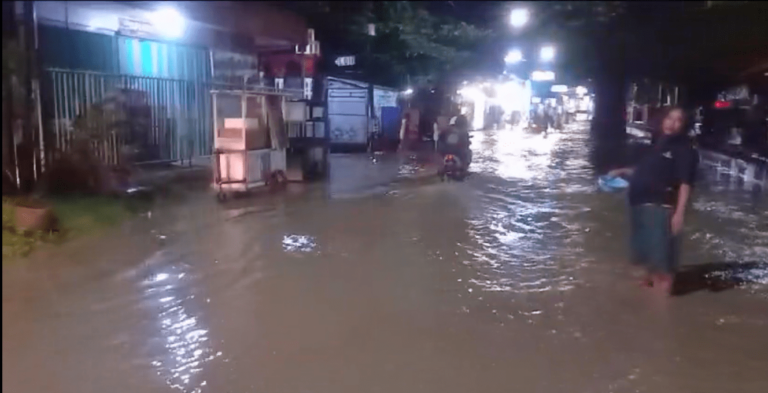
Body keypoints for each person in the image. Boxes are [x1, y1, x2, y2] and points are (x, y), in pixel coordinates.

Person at [608, 106, 699, 296]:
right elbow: (648, 171)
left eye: (678, 120)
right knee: (647, 265)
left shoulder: (684, 149)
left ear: (684, 125)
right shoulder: (657, 144)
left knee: (663, 271)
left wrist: (679, 214)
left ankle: (660, 316)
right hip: (641, 207)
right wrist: (623, 171)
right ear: (661, 120)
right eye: (669, 118)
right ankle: (644, 314)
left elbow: (685, 183)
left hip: (662, 208)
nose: (672, 123)